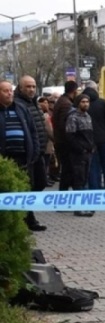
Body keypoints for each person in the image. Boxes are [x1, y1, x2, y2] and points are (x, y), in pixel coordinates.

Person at [0, 80, 41, 231]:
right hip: (5, 160)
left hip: (24, 158)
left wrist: (34, 152)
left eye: (10, 90)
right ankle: (11, 224)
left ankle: (29, 221)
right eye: (5, 91)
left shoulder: (21, 108)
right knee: (8, 191)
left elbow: (32, 131)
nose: (9, 93)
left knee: (26, 189)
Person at [13, 76, 49, 231]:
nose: (31, 89)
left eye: (33, 86)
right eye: (28, 87)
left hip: (39, 152)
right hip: (27, 155)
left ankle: (27, 215)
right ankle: (26, 218)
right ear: (20, 88)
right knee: (27, 186)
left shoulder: (33, 103)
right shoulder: (19, 104)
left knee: (40, 183)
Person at [65, 93, 96, 217]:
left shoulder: (88, 116)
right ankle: (78, 208)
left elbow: (90, 134)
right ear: (78, 103)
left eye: (87, 102)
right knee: (78, 180)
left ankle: (85, 204)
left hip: (88, 153)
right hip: (78, 154)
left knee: (84, 180)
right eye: (83, 102)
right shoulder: (73, 117)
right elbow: (70, 136)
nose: (85, 104)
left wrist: (92, 147)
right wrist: (80, 149)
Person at [83, 81, 105, 190]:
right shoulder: (102, 102)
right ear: (95, 89)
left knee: (93, 165)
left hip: (89, 140)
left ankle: (94, 187)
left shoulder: (82, 103)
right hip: (103, 138)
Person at [52, 81, 78, 192]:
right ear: (74, 91)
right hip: (65, 143)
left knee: (68, 170)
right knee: (68, 170)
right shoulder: (66, 104)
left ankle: (67, 192)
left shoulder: (62, 101)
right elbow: (65, 125)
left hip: (61, 141)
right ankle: (64, 195)